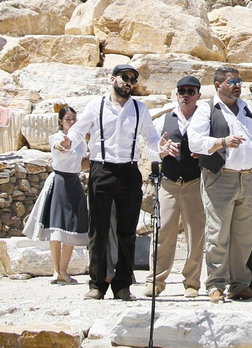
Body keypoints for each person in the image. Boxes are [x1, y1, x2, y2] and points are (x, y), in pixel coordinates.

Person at [188, 66, 252, 302]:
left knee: (245, 236)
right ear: (217, 85)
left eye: (239, 81)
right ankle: (215, 284)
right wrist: (222, 142)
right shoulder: (207, 110)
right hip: (220, 178)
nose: (237, 85)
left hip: (247, 177)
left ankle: (240, 284)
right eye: (232, 81)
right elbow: (194, 141)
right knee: (218, 233)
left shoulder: (247, 110)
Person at [79, 64, 156, 300]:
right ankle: (97, 284)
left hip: (129, 171)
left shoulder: (139, 108)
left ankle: (123, 285)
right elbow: (77, 130)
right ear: (112, 79)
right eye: (125, 77)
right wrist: (68, 144)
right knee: (98, 230)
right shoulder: (96, 105)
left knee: (127, 231)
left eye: (132, 79)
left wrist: (160, 152)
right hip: (102, 169)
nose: (128, 82)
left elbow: (151, 137)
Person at [150, 75, 207, 298]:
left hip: (195, 182)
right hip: (169, 182)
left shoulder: (205, 121)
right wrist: (161, 152)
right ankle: (156, 280)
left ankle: (192, 282)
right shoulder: (163, 120)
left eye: (190, 91)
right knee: (163, 232)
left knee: (195, 234)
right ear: (176, 94)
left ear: (198, 96)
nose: (185, 95)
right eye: (182, 91)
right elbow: (148, 150)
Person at [22, 103, 89, 284]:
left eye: (74, 119)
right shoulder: (57, 137)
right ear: (61, 121)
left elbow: (82, 163)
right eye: (68, 119)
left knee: (70, 228)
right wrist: (63, 145)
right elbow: (60, 146)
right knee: (56, 228)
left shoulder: (81, 140)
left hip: (74, 182)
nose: (72, 122)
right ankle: (56, 270)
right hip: (59, 182)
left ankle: (64, 271)